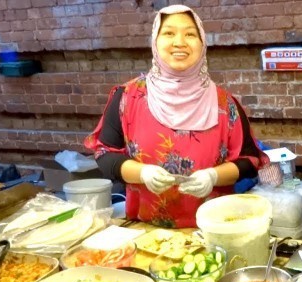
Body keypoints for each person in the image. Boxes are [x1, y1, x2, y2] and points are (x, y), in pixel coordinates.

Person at [85, 5, 268, 228]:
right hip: (146, 232)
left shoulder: (225, 104)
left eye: (190, 34)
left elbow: (249, 161)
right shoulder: (128, 98)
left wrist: (213, 176)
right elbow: (105, 154)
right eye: (169, 33)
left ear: (202, 44)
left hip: (213, 230)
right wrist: (142, 173)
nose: (179, 42)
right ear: (155, 41)